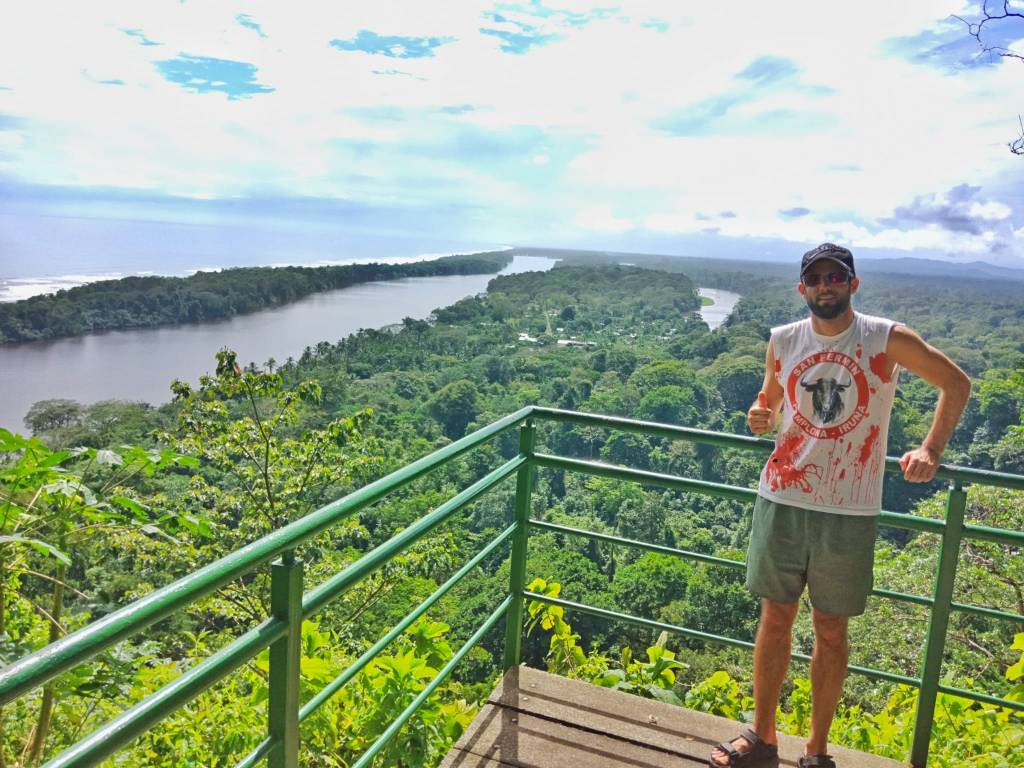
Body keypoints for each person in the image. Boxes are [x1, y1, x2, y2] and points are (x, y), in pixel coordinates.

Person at [709, 243, 971, 768]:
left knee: (831, 630)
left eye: (835, 277)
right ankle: (763, 739)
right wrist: (760, 417)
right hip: (782, 494)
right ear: (802, 288)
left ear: (853, 284)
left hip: (849, 506)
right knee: (775, 618)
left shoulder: (885, 338)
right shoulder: (784, 340)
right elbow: (769, 403)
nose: (825, 286)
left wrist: (931, 449)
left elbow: (956, 383)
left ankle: (817, 751)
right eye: (816, 279)